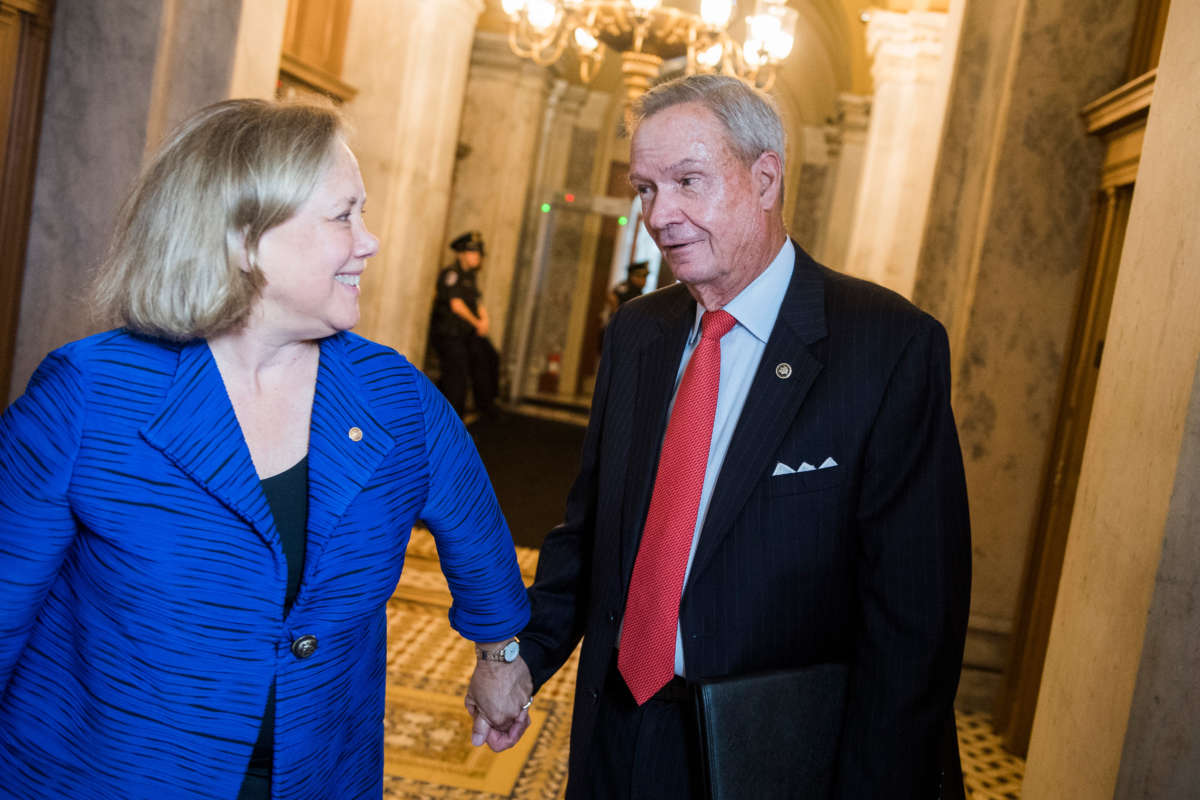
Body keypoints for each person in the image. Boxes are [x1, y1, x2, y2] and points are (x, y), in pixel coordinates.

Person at [0, 99, 531, 799]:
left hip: (318, 773)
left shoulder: (390, 394)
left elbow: (476, 525)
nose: (370, 242)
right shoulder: (93, 393)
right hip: (110, 772)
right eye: (344, 216)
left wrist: (501, 655)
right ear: (244, 240)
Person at [468, 74, 972, 799]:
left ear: (765, 179)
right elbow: (591, 534)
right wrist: (522, 657)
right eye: (645, 188)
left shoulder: (887, 348)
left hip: (772, 759)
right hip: (616, 734)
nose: (659, 214)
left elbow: (914, 628)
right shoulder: (638, 334)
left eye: (687, 181)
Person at [429, 230, 501, 418]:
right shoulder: (451, 274)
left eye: (478, 253)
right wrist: (478, 323)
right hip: (448, 334)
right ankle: (453, 417)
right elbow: (456, 305)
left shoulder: (471, 276)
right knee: (457, 372)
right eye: (472, 252)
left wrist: (485, 320)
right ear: (461, 253)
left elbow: (477, 302)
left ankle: (485, 406)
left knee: (490, 357)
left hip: (465, 334)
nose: (477, 257)